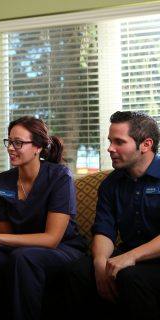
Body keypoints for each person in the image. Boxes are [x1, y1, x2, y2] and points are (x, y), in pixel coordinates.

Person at [0, 116, 86, 320]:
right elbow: (6, 232)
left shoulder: (59, 177)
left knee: (24, 257)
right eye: (9, 142)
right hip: (20, 248)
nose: (11, 147)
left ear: (37, 147)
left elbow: (51, 239)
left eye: (18, 143)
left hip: (63, 248)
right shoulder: (1, 182)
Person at [63, 111, 160, 320]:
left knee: (129, 276)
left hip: (152, 260)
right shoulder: (111, 183)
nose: (110, 148)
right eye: (109, 141)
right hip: (127, 256)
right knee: (79, 270)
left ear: (146, 144)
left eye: (119, 142)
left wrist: (131, 257)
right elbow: (104, 229)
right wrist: (99, 263)